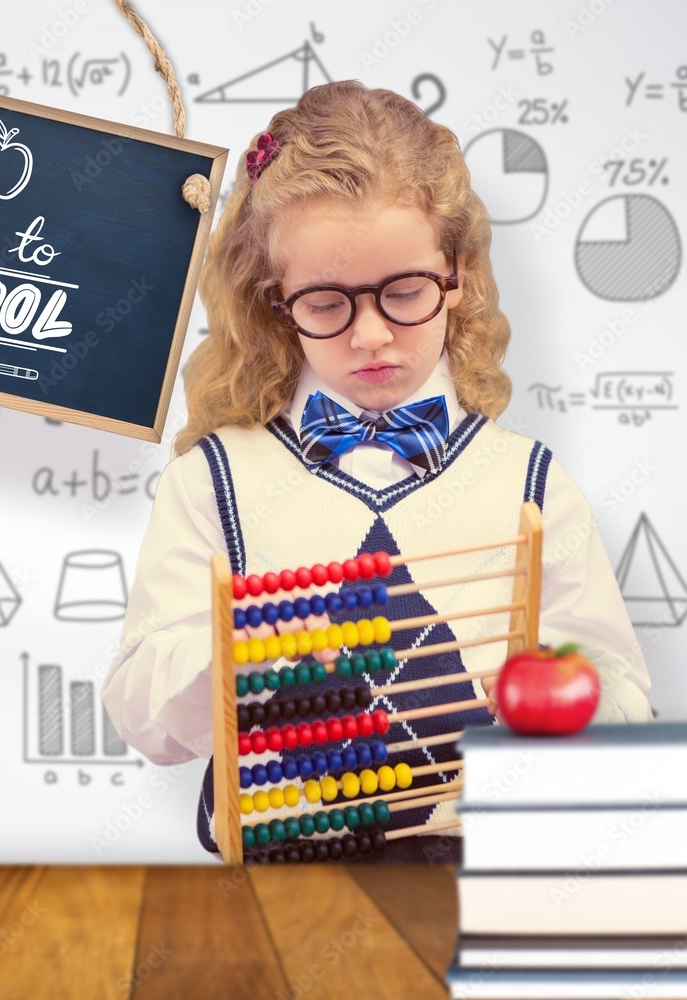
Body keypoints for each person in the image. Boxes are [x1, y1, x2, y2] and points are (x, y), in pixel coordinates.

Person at [101, 81, 653, 863]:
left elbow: (621, 686)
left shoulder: (529, 481)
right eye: (326, 303)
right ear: (273, 301)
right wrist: (246, 657)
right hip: (279, 877)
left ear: (457, 276)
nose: (370, 336)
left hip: (479, 872)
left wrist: (560, 719)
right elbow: (141, 713)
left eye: (404, 293)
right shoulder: (213, 481)